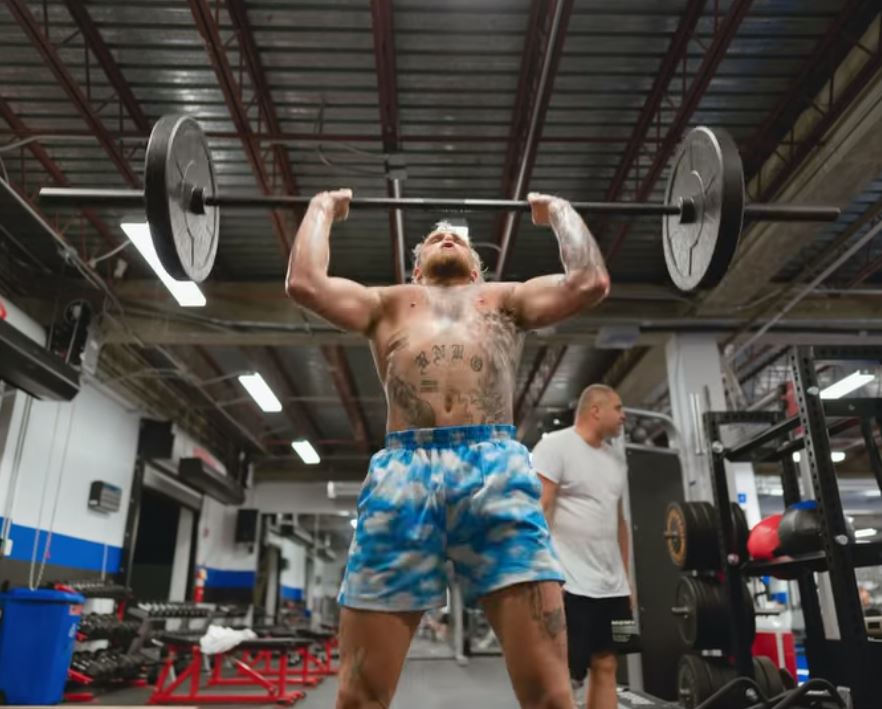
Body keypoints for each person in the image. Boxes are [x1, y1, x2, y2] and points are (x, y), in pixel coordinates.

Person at [286, 188, 610, 709]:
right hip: (403, 476)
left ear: (478, 270)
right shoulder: (387, 303)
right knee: (358, 697)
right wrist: (322, 208)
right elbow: (304, 283)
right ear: (416, 271)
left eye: (457, 237)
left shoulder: (506, 299)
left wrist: (561, 212)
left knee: (552, 697)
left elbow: (589, 282)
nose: (445, 236)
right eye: (434, 236)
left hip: (497, 470)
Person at [532, 385, 631, 709]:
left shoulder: (616, 459)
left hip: (611, 586)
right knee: (562, 674)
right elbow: (539, 512)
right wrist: (546, 577)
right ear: (595, 410)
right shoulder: (555, 448)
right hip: (570, 582)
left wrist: (626, 581)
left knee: (607, 664)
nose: (624, 415)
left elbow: (618, 522)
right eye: (618, 408)